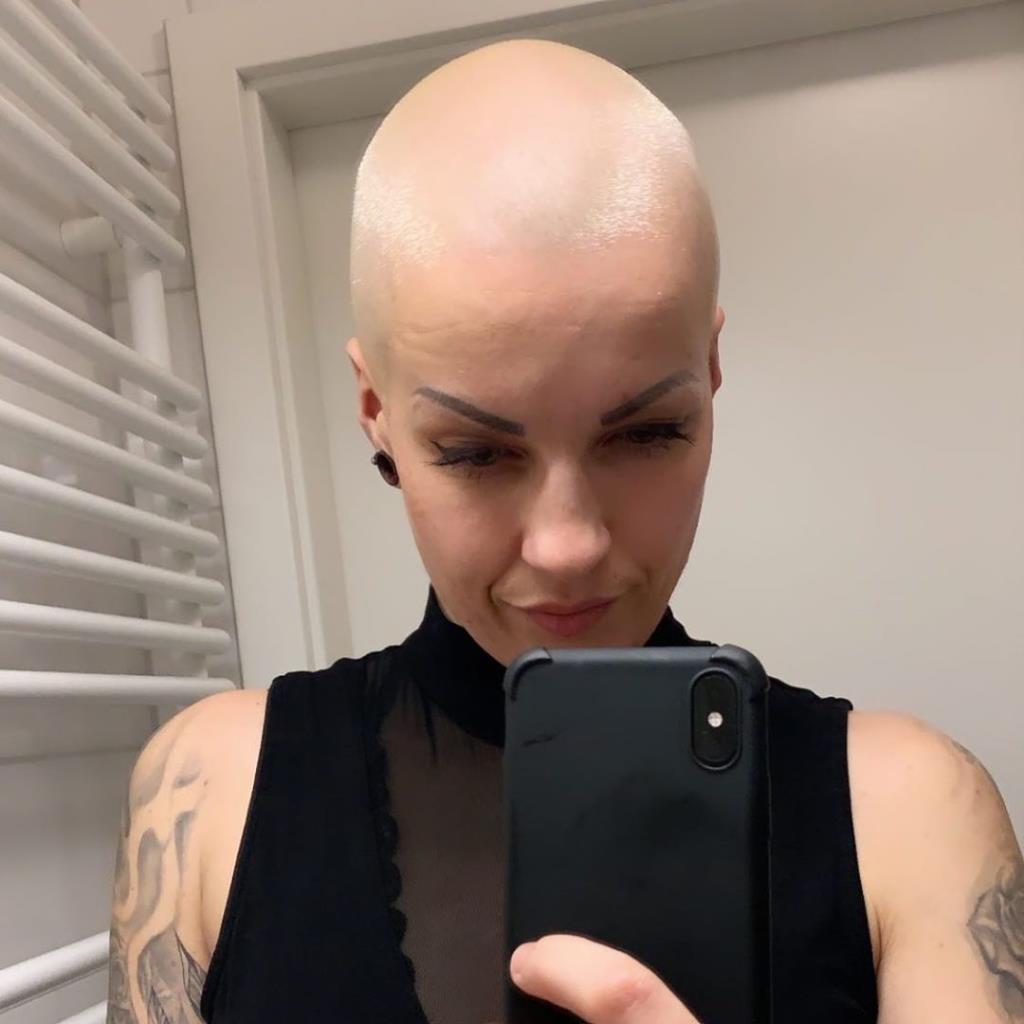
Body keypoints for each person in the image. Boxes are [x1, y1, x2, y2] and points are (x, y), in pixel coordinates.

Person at [105, 37, 1023, 1024]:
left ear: (710, 374)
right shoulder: (204, 798)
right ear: (375, 410)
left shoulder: (913, 815)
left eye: (647, 432)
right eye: (475, 452)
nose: (568, 545)